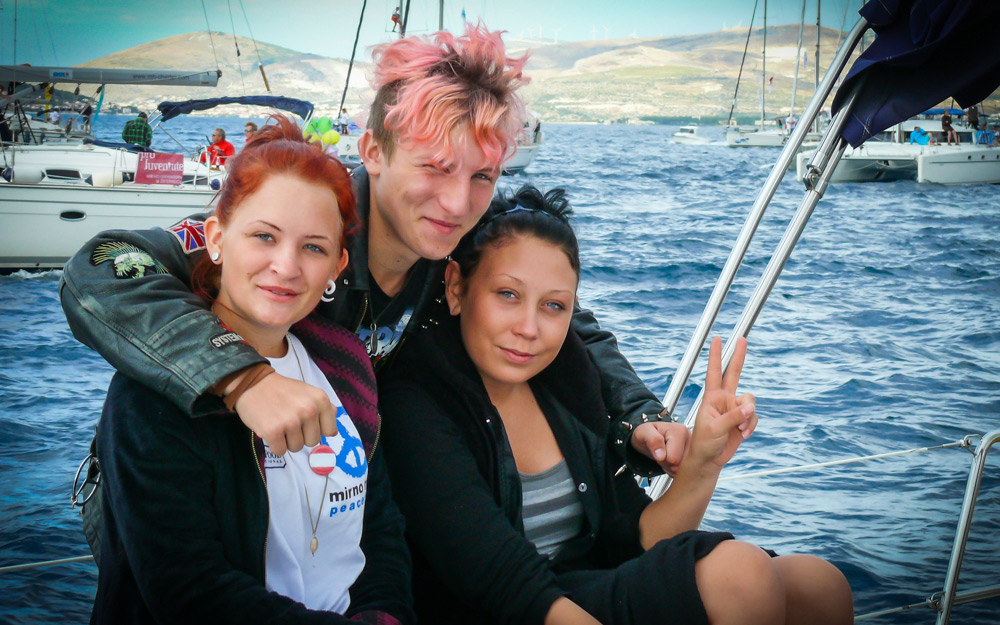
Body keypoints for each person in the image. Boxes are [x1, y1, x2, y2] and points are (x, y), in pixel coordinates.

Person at [61, 23, 678, 485]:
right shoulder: (304, 218)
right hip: (201, 489)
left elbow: (571, 321)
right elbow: (104, 264)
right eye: (435, 167)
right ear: (374, 152)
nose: (457, 202)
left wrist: (640, 419)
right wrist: (239, 376)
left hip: (345, 496)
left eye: (482, 176)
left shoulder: (466, 236)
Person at [378, 185, 854, 625]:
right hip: (505, 610)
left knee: (818, 586)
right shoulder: (414, 401)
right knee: (740, 575)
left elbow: (638, 539)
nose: (529, 328)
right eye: (507, 294)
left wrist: (703, 464)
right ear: (457, 288)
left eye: (553, 305)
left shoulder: (566, 381)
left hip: (582, 588)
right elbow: (501, 582)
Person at [91, 115, 414, 624]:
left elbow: (380, 533)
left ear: (336, 267)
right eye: (264, 236)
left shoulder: (344, 363)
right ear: (216, 239)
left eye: (313, 247)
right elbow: (189, 591)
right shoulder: (150, 394)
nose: (286, 266)